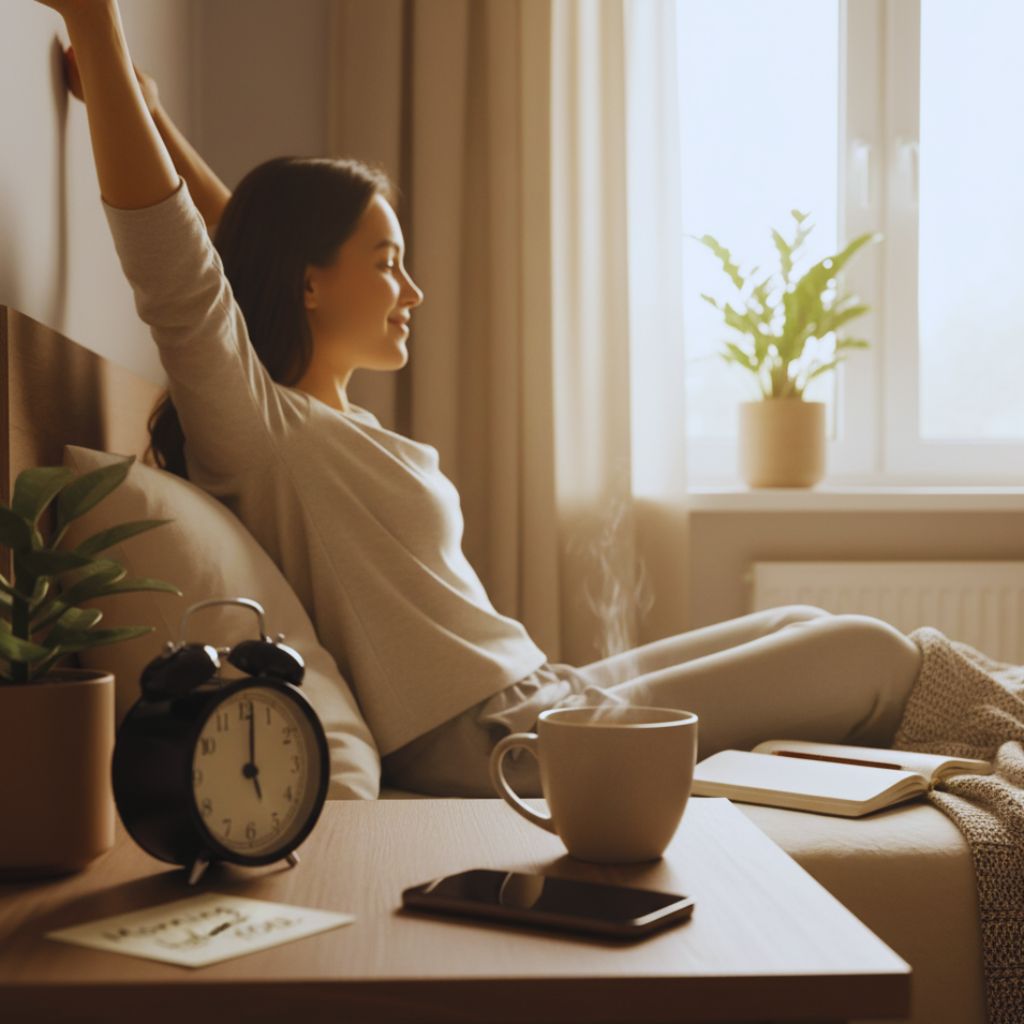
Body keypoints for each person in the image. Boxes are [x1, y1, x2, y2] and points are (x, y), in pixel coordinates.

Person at [36, 0, 924, 799]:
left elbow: (247, 240)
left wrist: (153, 118)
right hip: (499, 743)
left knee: (806, 621)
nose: (412, 290)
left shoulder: (318, 420)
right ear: (309, 286)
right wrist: (98, 28)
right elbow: (181, 271)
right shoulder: (266, 434)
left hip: (538, 696)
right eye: (387, 264)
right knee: (874, 653)